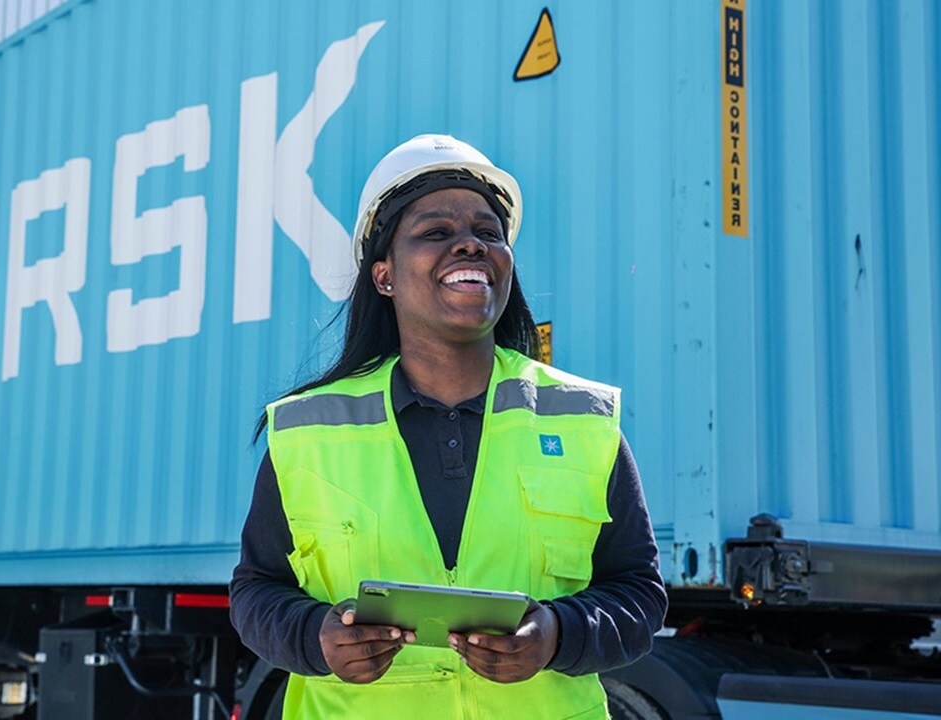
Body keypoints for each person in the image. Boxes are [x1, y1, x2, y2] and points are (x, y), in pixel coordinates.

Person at [230, 134, 667, 719]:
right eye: (437, 232)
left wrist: (558, 634)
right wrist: (317, 638)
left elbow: (638, 593)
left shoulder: (581, 418)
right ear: (383, 276)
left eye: (488, 233)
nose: (470, 245)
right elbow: (256, 591)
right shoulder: (308, 430)